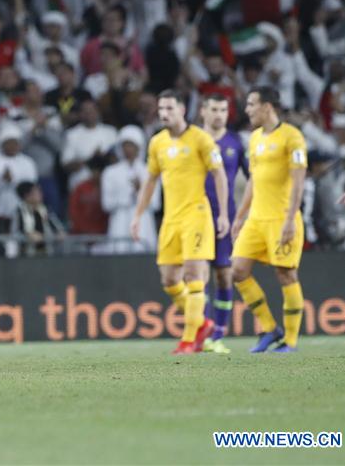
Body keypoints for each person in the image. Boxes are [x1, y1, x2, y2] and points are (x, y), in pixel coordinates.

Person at [130, 89, 229, 355]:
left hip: (196, 215)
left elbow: (219, 175)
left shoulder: (201, 138)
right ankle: (203, 323)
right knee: (170, 279)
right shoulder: (157, 142)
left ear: (183, 109)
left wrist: (222, 214)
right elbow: (151, 180)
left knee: (194, 277)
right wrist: (138, 215)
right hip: (171, 218)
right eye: (161, 108)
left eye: (170, 108)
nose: (164, 113)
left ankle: (188, 340)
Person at [230, 87, 307, 353]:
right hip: (256, 219)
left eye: (252, 104)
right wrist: (240, 216)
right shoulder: (253, 139)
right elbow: (254, 179)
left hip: (281, 218)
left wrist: (289, 220)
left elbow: (299, 182)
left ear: (267, 107)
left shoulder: (292, 137)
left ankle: (291, 341)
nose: (247, 109)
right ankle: (269, 328)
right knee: (238, 271)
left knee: (285, 274)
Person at [199, 95, 248, 354]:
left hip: (224, 217)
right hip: (196, 216)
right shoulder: (194, 139)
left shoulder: (235, 142)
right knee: (198, 276)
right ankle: (201, 333)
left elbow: (253, 177)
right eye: (214, 109)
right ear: (202, 111)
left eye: (223, 110)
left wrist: (240, 214)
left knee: (224, 275)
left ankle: (217, 335)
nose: (219, 114)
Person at [101, 125, 156, 252]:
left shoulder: (150, 171)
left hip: (144, 223)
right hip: (119, 222)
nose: (128, 149)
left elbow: (155, 204)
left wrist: (140, 191)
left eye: (132, 145)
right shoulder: (110, 172)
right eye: (125, 145)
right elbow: (107, 204)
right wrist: (127, 196)